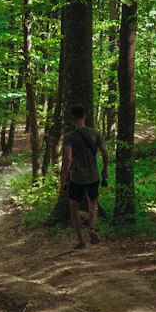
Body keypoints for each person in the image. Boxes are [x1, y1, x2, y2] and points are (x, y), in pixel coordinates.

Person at [60, 103, 109, 249]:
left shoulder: (69, 136)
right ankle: (92, 228)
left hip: (77, 178)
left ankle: (81, 240)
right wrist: (105, 169)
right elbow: (105, 153)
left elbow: (68, 159)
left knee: (73, 206)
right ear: (85, 117)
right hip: (93, 176)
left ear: (72, 118)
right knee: (93, 202)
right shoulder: (95, 133)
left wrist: (63, 179)